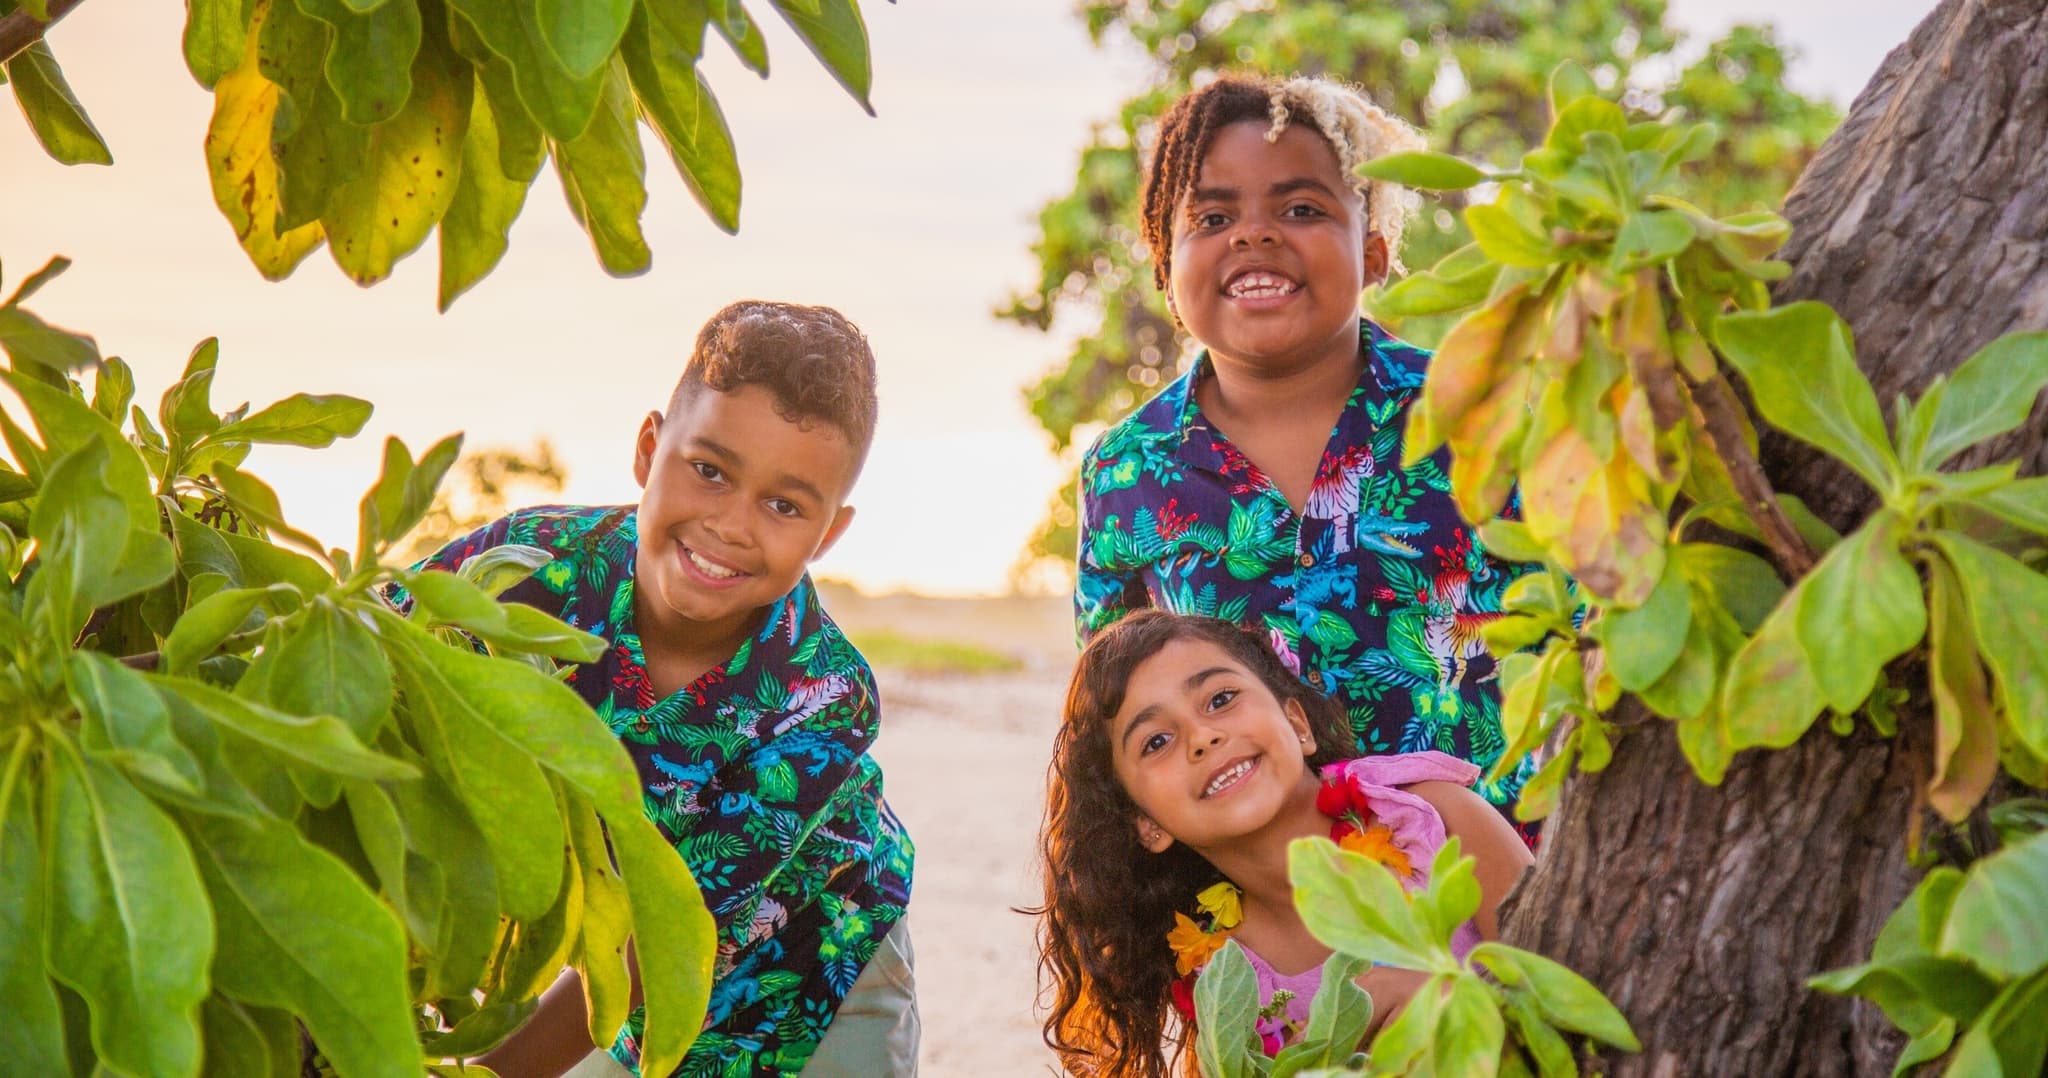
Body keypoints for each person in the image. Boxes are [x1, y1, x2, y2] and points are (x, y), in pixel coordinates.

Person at [405, 301, 917, 1077]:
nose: (731, 525)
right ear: (649, 450)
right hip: (607, 974)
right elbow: (373, 662)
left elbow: (666, 938)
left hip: (816, 975)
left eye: (784, 505)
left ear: (829, 534)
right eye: (709, 471)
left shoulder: (827, 694)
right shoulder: (524, 565)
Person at [1073, 74, 1543, 824]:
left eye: (1301, 209)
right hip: (1254, 883)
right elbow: (1112, 716)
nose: (1253, 235)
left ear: (1375, 252)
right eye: (1213, 217)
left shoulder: (1479, 411)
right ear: (1166, 265)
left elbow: (1581, 634)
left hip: (1494, 868)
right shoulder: (1126, 472)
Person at [1036, 610, 1533, 1078]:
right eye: (1156, 742)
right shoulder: (1223, 977)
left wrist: (1450, 1004)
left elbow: (1567, 991)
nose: (1202, 737)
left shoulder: (1434, 822)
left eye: (1220, 699)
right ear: (1147, 825)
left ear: (1297, 724)